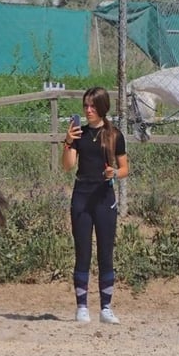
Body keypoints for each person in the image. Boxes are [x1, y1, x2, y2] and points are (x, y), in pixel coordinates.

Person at [62, 86, 129, 324]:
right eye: (86, 106)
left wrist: (113, 174)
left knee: (105, 253)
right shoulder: (79, 134)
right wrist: (68, 142)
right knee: (82, 252)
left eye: (93, 106)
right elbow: (68, 166)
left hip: (104, 198)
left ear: (102, 107)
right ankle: (82, 307)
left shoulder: (114, 135)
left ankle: (106, 308)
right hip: (81, 195)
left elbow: (125, 169)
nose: (88, 110)